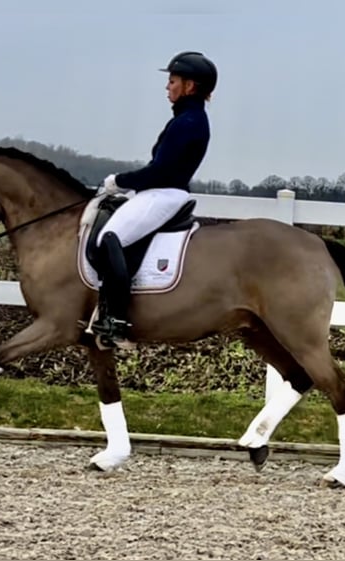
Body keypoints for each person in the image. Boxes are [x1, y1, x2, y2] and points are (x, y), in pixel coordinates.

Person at [89, 50, 218, 348]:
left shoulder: (188, 122)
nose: (167, 87)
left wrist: (119, 181)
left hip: (164, 193)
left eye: (173, 81)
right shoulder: (188, 118)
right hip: (162, 191)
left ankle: (116, 321)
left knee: (110, 236)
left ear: (190, 86)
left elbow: (159, 171)